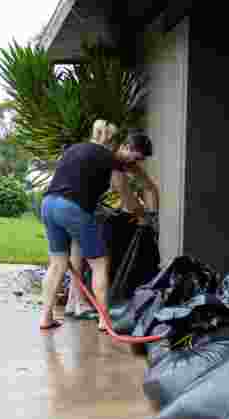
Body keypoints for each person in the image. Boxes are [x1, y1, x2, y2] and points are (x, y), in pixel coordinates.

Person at [38, 120, 158, 332]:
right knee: (100, 264)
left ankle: (46, 318)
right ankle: (105, 320)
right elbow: (127, 197)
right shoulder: (110, 160)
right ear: (123, 146)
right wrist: (143, 216)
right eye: (136, 157)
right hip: (72, 208)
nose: (135, 162)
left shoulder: (76, 148)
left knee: (57, 264)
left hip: (48, 204)